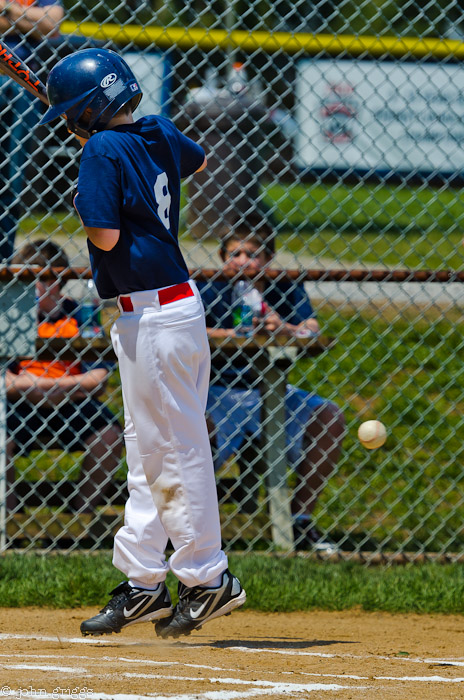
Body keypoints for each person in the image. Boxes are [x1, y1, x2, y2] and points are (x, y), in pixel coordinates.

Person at [38, 48, 246, 639]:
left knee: (174, 451)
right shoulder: (155, 131)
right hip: (164, 311)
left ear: (85, 113)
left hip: (156, 316)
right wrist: (115, 155)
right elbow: (193, 162)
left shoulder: (102, 149)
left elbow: (104, 236)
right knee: (147, 450)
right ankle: (143, 581)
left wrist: (91, 181)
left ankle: (208, 579)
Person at [197, 219, 346, 552]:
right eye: (233, 254)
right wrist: (228, 336)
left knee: (329, 417)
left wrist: (284, 328)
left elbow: (312, 331)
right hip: (219, 390)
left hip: (271, 390)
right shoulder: (208, 286)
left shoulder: (284, 286)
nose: (242, 262)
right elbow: (186, 331)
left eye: (252, 254)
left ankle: (300, 521)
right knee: (196, 430)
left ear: (268, 258)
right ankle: (194, 528)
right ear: (223, 258)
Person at [6, 239, 123, 514]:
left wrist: (37, 386)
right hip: (24, 403)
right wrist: (68, 386)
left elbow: (97, 379)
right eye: (25, 279)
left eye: (41, 279)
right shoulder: (13, 316)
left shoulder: (80, 314)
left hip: (72, 403)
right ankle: (9, 520)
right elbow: (6, 382)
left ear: (58, 280)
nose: (32, 287)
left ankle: (80, 517)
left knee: (109, 437)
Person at [0, 0, 64, 259]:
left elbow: (52, 25)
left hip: (23, 88)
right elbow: (41, 24)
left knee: (9, 187)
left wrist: (6, 9)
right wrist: (27, 21)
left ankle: (2, 263)